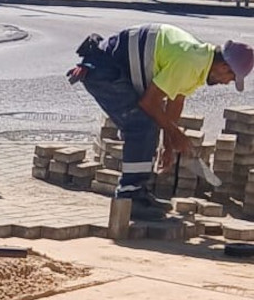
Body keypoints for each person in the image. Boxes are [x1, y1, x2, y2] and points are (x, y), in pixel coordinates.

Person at [68, 23, 253, 220]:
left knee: (151, 122)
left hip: (114, 69)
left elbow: (175, 101)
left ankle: (138, 192)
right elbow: (148, 103)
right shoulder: (190, 61)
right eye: (231, 78)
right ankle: (129, 196)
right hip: (104, 70)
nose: (227, 83)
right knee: (141, 125)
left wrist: (168, 146)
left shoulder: (200, 62)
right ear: (224, 67)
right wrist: (176, 134)